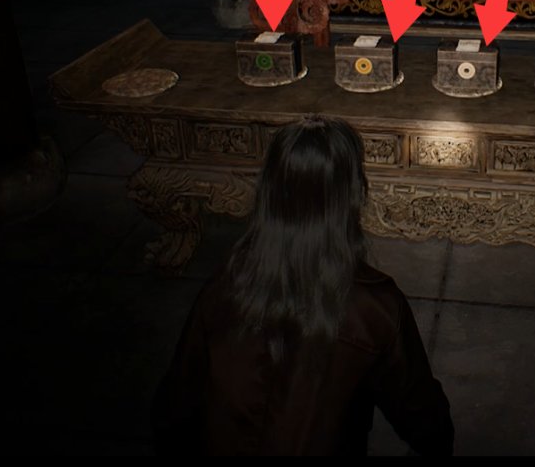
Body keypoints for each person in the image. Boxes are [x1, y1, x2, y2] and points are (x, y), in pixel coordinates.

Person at [151, 114, 454, 455]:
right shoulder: (376, 308)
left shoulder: (223, 289)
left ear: (268, 194)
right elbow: (427, 424)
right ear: (353, 196)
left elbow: (172, 412)